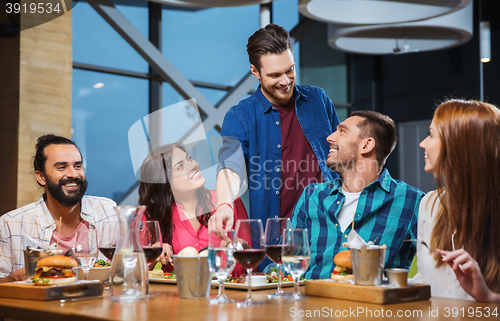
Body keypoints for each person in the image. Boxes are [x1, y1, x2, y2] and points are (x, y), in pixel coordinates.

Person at [209, 23, 340, 232]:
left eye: (290, 70)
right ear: (256, 72)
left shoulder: (318, 99)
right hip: (278, 238)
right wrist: (224, 204)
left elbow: (343, 153)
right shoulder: (240, 116)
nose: (286, 81)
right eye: (275, 75)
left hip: (331, 228)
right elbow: (231, 166)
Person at [292, 110, 425, 279]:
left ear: (366, 145)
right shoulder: (312, 196)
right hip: (309, 304)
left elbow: (436, 268)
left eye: (342, 131)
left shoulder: (412, 201)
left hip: (370, 305)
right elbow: (289, 261)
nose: (330, 137)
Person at [0, 134, 118, 283]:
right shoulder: (11, 224)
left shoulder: (108, 211)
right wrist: (14, 278)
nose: (73, 174)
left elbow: (128, 269)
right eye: (62, 167)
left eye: (78, 166)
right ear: (41, 177)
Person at [417, 99, 500, 303]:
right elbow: (424, 278)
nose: (422, 143)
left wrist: (490, 297)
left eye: (431, 134)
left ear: (457, 145)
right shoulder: (429, 204)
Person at [138, 142, 248, 272]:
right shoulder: (154, 217)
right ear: (167, 185)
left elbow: (252, 261)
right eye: (180, 166)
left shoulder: (227, 202)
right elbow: (138, 271)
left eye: (189, 158)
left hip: (228, 290)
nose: (193, 165)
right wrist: (155, 255)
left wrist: (238, 248)